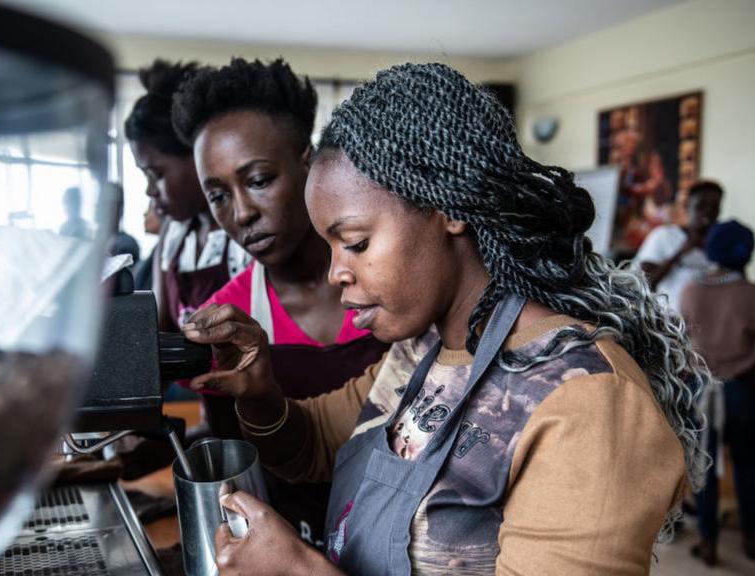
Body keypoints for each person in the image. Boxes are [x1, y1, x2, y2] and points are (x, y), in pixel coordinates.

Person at [181, 63, 714, 575]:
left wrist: (300, 571)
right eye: (331, 248)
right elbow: (314, 446)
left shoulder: (588, 402)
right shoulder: (422, 351)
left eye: (356, 243)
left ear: (450, 208)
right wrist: (259, 391)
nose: (334, 274)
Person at [172, 57, 390, 548]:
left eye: (259, 180)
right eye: (218, 195)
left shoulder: (397, 290)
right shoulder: (226, 322)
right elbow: (235, 466)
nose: (242, 212)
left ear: (308, 164)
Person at [680, 220, 755, 566]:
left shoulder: (691, 289)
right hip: (740, 391)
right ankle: (752, 538)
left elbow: (682, 339)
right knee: (746, 467)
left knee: (706, 470)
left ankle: (708, 543)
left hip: (702, 391)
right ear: (747, 254)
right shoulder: (754, 294)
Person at [123, 59, 249, 330]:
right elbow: (159, 330)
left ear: (198, 156)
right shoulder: (173, 236)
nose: (149, 190)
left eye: (156, 174)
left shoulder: (249, 230)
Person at [634, 180, 723, 314]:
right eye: (701, 206)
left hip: (708, 324)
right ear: (687, 207)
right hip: (669, 323)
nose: (707, 212)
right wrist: (682, 251)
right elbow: (644, 282)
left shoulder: (721, 242)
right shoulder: (663, 236)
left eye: (714, 207)